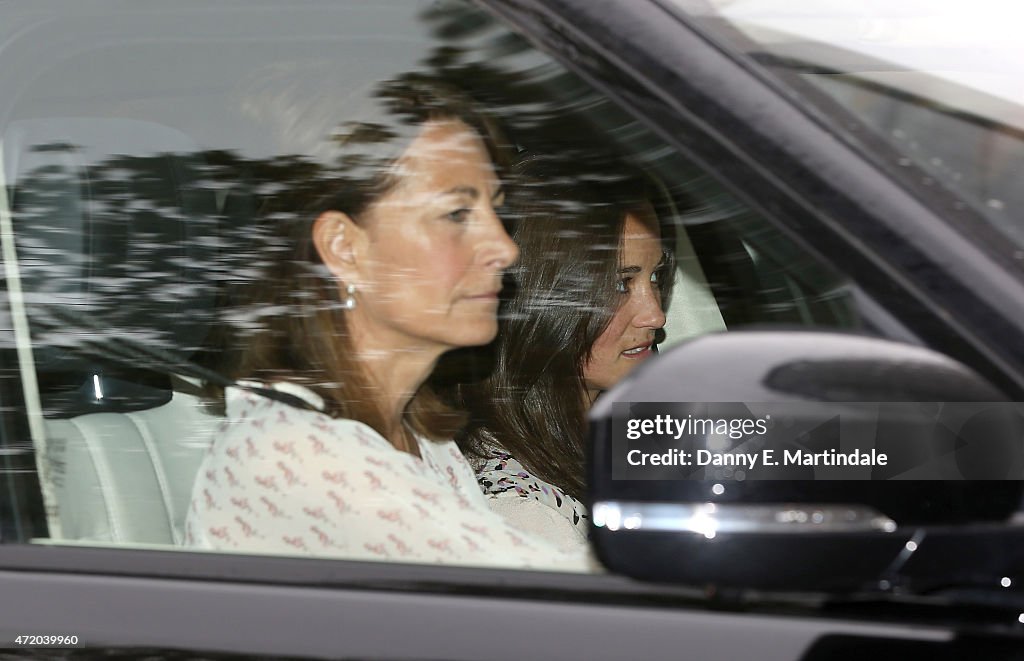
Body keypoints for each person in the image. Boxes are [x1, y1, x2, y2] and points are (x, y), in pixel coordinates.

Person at [184, 75, 591, 571]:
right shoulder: (298, 455)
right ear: (345, 248)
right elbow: (557, 609)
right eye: (457, 214)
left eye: (496, 212)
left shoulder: (419, 436)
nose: (505, 248)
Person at [457, 162, 672, 549]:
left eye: (654, 276)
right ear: (541, 301)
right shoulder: (526, 517)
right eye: (620, 283)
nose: (655, 313)